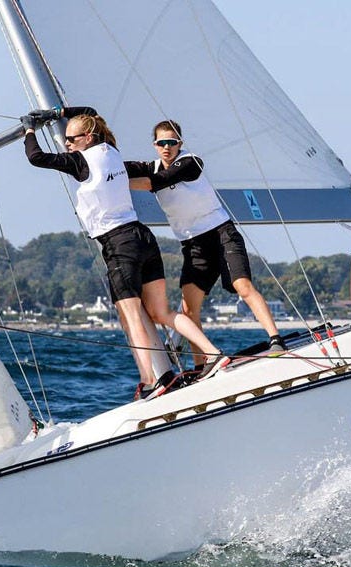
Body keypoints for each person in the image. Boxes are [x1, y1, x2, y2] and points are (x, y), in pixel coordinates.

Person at [21, 107, 228, 400]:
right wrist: (60, 113)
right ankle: (212, 353)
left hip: (118, 243)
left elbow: (35, 157)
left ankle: (151, 380)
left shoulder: (81, 161)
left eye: (71, 138)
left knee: (130, 316)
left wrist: (29, 129)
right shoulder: (112, 151)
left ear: (88, 137)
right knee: (162, 313)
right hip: (143, 237)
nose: (66, 144)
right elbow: (91, 112)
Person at [125, 120, 285, 364]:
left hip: (221, 233)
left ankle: (276, 340)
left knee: (243, 287)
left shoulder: (191, 162)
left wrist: (119, 184)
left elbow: (155, 183)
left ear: (180, 143)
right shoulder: (150, 166)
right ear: (154, 145)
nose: (167, 147)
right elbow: (118, 168)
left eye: (172, 142)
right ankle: (203, 364)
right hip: (193, 245)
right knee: (189, 309)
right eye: (161, 143)